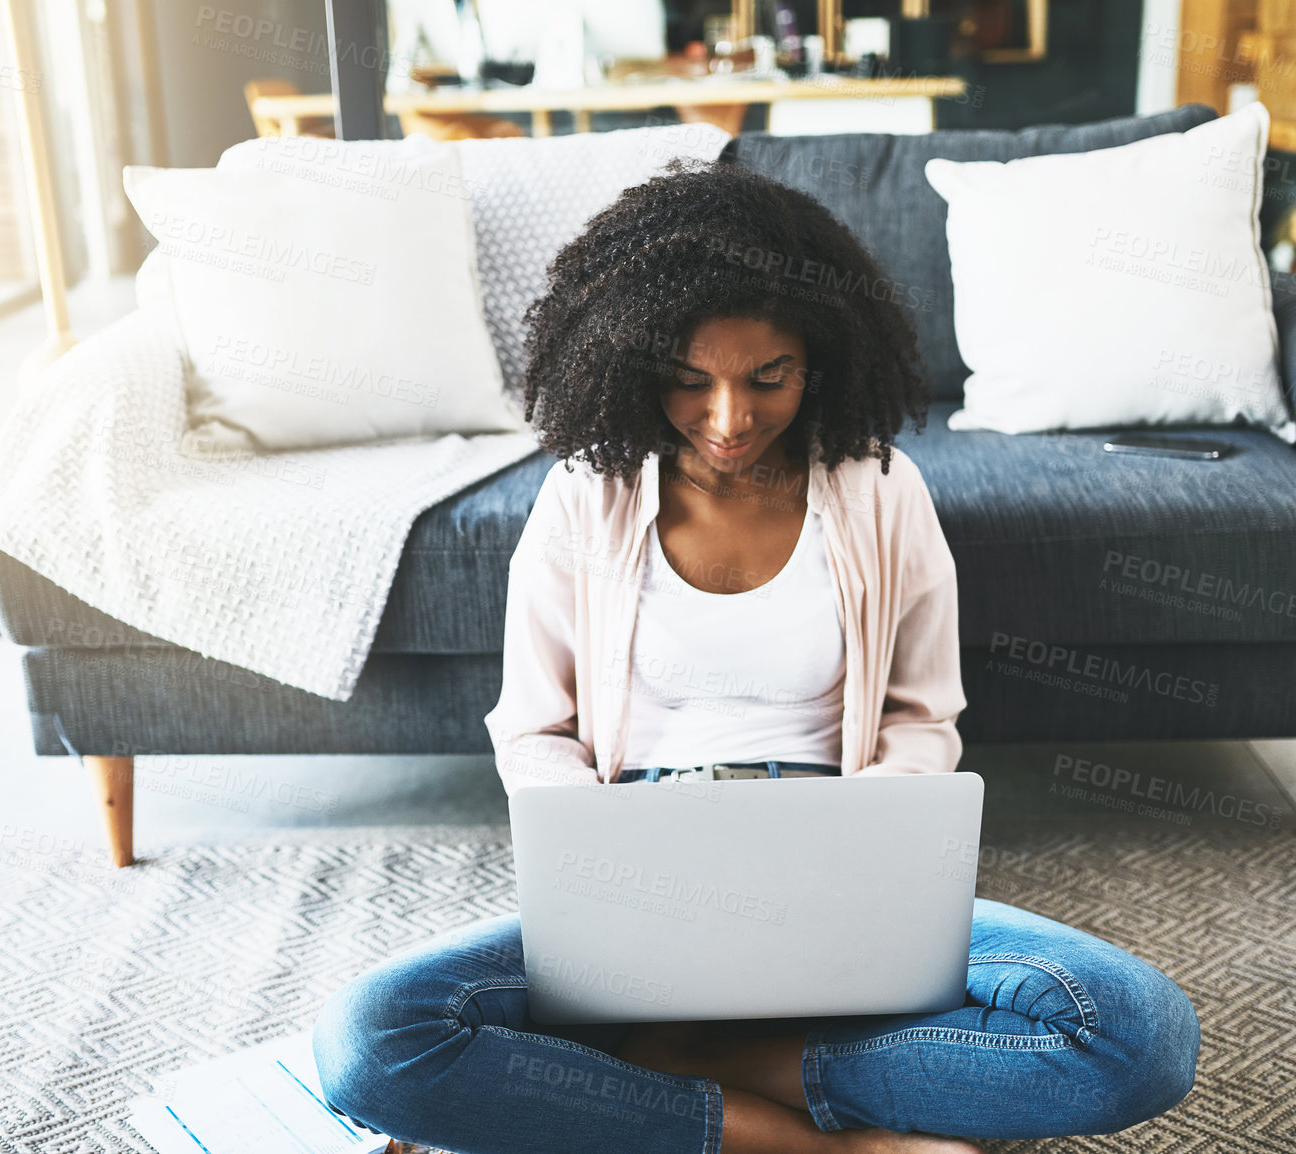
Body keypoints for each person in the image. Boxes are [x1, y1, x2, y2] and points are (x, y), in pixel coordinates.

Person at [312, 158, 1200, 1154]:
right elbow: (533, 723)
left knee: (1136, 1032)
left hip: (839, 857)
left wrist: (870, 841)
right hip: (635, 857)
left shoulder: (877, 486)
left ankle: (672, 1068)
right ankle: (803, 1138)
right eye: (689, 381)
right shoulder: (584, 492)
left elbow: (920, 712)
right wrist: (597, 846)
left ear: (819, 361)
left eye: (766, 378)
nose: (729, 419)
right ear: (630, 362)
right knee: (369, 1041)